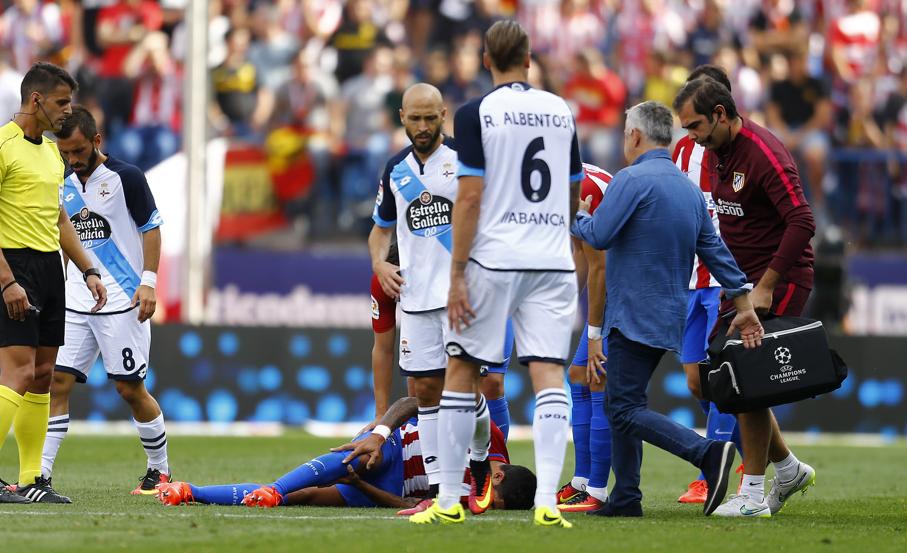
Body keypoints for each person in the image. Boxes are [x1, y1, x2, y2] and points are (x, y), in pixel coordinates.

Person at [412, 20, 583, 528]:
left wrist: (458, 271)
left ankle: (447, 500)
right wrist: (562, 235)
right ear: (528, 59)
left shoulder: (475, 113)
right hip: (551, 259)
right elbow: (572, 188)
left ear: (487, 60)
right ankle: (549, 501)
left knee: (462, 369)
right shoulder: (560, 110)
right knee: (549, 373)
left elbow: (469, 196)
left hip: (495, 257)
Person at [572, 101, 763, 518]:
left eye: (625, 133)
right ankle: (626, 497)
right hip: (671, 314)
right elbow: (715, 251)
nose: (624, 140)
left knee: (621, 408)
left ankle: (706, 453)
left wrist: (577, 217)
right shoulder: (688, 189)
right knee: (624, 404)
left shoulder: (630, 180)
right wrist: (743, 299)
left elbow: (600, 235)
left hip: (631, 314)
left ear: (636, 136)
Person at [673, 77, 817, 517]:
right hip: (740, 285)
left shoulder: (763, 152)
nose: (692, 136)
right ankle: (788, 469)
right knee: (727, 380)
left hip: (779, 278)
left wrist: (767, 287)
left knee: (748, 378)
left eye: (695, 125)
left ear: (720, 113)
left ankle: (753, 496)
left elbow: (802, 220)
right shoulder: (718, 153)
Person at [369, 82, 492, 515]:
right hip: (416, 296)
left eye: (430, 117)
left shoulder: (466, 161)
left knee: (465, 387)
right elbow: (381, 228)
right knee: (425, 390)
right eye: (414, 118)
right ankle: (443, 494)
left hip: (463, 293)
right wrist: (380, 263)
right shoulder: (395, 169)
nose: (422, 127)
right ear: (401, 116)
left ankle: (479, 459)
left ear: (444, 115)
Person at [40, 106, 170, 495]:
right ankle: (39, 474)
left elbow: (151, 228)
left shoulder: (127, 177)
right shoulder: (60, 178)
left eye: (78, 151)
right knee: (56, 381)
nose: (72, 159)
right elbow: (64, 234)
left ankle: (159, 470)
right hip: (76, 300)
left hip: (123, 299)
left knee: (130, 390)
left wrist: (148, 282)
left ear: (96, 141)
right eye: (65, 152)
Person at [0, 62, 107, 504]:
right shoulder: (2, 146)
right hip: (13, 268)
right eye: (62, 102)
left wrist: (89, 268)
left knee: (43, 375)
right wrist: (7, 282)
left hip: (50, 270)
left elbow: (59, 217)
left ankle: (31, 480)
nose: (68, 111)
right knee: (17, 371)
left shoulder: (49, 151)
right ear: (36, 99)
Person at [157, 396, 536, 511]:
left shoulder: (470, 499)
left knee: (302, 497)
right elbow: (414, 401)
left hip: (385, 485)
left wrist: (363, 490)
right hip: (392, 447)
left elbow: (405, 501)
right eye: (490, 499)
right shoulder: (488, 433)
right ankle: (274, 488)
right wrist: (381, 431)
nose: (479, 503)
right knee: (357, 457)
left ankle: (191, 491)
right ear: (498, 476)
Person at [672, 65, 743, 505]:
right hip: (689, 279)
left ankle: (713, 466)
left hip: (724, 278)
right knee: (697, 383)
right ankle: (735, 451)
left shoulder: (739, 150)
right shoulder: (681, 151)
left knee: (720, 376)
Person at [557, 162, 612, 513]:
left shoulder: (583, 188)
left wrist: (593, 332)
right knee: (578, 376)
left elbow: (600, 265)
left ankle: (598, 489)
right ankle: (581, 481)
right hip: (611, 282)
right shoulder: (563, 178)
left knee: (595, 378)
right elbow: (580, 252)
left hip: (623, 291)